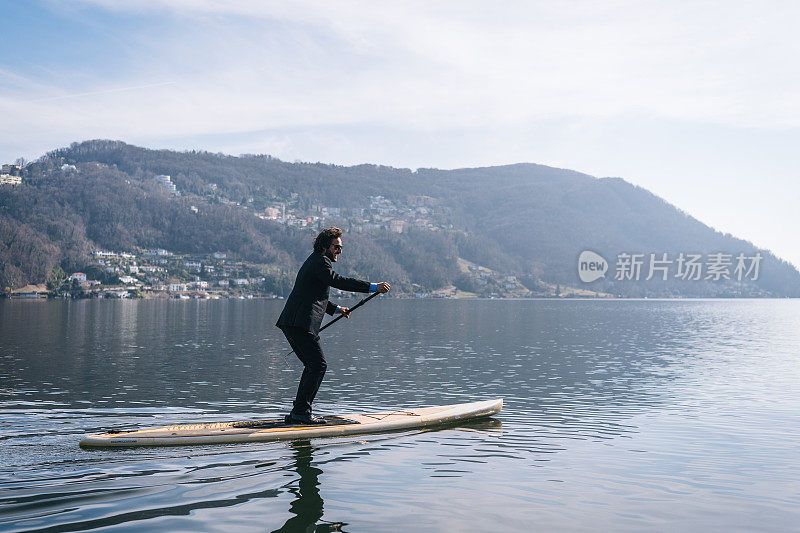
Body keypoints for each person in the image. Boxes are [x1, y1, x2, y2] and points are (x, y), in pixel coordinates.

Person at [276, 227, 390, 424]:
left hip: (294, 323)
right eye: (336, 247)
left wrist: (337, 309)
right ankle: (301, 413)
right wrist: (373, 287)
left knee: (313, 365)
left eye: (341, 248)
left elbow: (313, 294)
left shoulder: (315, 262)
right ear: (324, 246)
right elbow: (338, 281)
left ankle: (299, 411)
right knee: (317, 365)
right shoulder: (320, 261)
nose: (340, 251)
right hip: (300, 323)